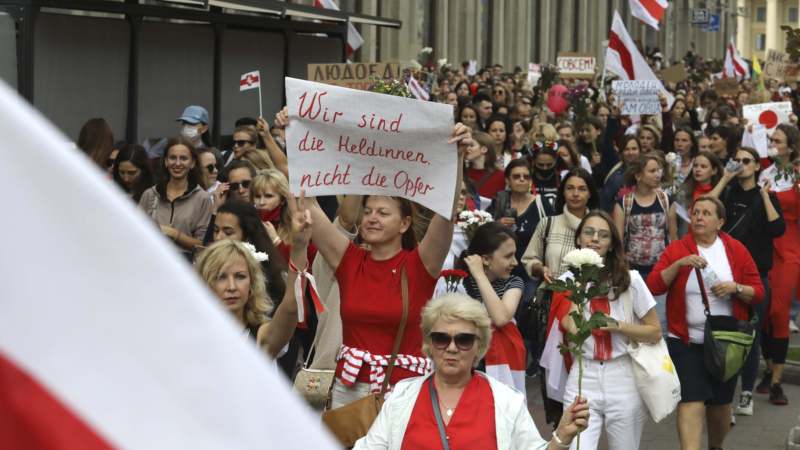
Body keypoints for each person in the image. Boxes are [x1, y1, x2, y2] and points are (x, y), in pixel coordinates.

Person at [304, 124, 472, 408]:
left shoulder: (420, 265)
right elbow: (308, 207)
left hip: (404, 394)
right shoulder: (349, 260)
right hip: (348, 394)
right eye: (367, 211)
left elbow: (445, 215)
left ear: (404, 223)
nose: (371, 218)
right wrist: (293, 138)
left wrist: (456, 158)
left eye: (383, 213)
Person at [354, 294, 590, 450]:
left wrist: (561, 437)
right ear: (429, 343)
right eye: (441, 338)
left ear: (480, 346)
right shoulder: (402, 397)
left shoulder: (506, 401)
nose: (452, 348)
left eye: (464, 339)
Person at [647, 196, 764, 450]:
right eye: (696, 212)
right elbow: (654, 285)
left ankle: (715, 446)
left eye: (707, 213)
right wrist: (679, 264)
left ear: (720, 222)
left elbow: (758, 291)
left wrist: (736, 287)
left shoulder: (735, 249)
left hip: (726, 342)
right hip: (686, 341)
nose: (699, 217)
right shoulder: (679, 248)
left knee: (721, 405)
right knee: (691, 400)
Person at [552, 211, 661, 450]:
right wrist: (580, 280)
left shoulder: (630, 280)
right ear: (579, 238)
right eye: (589, 232)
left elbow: (655, 332)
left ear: (612, 244)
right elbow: (571, 327)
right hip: (583, 375)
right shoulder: (567, 281)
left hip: (622, 375)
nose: (595, 239)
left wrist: (618, 326)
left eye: (603, 235)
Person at [709, 146, 785, 414]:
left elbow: (778, 229)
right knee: (723, 334)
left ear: (756, 166)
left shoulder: (766, 195)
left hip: (755, 279)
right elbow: (704, 208)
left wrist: (764, 196)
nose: (740, 164)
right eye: (736, 159)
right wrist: (724, 179)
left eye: (746, 161)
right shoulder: (728, 193)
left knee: (749, 337)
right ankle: (722, 398)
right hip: (724, 276)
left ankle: (747, 394)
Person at [195, 192, 312, 362]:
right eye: (221, 277)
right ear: (206, 283)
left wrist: (300, 247)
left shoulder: (261, 337)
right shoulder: (193, 336)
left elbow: (291, 308)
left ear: (252, 283)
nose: (232, 286)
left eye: (240, 276)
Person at [757, 123, 800, 404]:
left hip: (790, 249)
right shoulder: (766, 172)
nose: (773, 143)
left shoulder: (797, 174)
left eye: (778, 140)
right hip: (765, 248)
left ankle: (776, 381)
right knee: (764, 311)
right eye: (771, 139)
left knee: (780, 310)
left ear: (791, 146)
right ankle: (769, 367)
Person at [458, 222, 527, 394]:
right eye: (508, 256)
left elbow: (501, 317)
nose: (515, 262)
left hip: (501, 367)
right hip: (465, 362)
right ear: (486, 259)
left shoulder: (513, 282)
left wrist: (480, 275)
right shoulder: (457, 281)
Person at [522, 168, 598, 283]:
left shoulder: (599, 227)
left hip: (589, 296)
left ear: (590, 194)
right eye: (570, 188)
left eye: (582, 189)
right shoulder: (548, 224)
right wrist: (541, 269)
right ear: (563, 191)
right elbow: (529, 259)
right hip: (552, 295)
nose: (575, 194)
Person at [139, 137, 213, 254]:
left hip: (185, 266)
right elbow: (136, 233)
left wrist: (173, 233)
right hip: (151, 260)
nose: (177, 163)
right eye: (172, 158)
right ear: (166, 161)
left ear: (192, 163)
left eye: (183, 158)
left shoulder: (202, 198)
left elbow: (202, 245)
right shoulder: (150, 194)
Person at [612, 153, 673, 281]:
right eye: (652, 171)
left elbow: (673, 236)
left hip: (662, 271)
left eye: (658, 170)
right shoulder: (624, 203)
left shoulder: (666, 200)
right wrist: (622, 269)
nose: (658, 175)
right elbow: (618, 240)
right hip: (633, 272)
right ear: (638, 175)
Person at [668, 151, 723, 241]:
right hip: (686, 240)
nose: (698, 169)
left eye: (703, 166)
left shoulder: (723, 192)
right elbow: (673, 218)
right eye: (695, 166)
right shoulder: (683, 191)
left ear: (714, 170)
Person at [600, 135, 641, 212]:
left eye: (634, 149)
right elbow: (605, 206)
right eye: (626, 149)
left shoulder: (647, 171)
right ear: (621, 152)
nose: (631, 152)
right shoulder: (615, 178)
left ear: (640, 151)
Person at [465, 131, 506, 199]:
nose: (467, 149)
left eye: (471, 145)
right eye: (467, 146)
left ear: (484, 149)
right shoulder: (464, 173)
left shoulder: (501, 176)